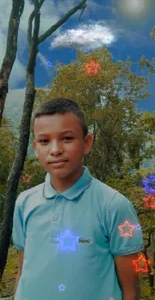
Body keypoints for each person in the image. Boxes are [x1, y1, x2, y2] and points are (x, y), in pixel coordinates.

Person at [12, 98, 144, 300]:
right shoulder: (25, 202)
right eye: (44, 141)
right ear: (36, 147)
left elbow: (131, 291)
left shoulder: (113, 205)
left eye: (66, 138)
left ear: (86, 143)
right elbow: (24, 271)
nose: (55, 150)